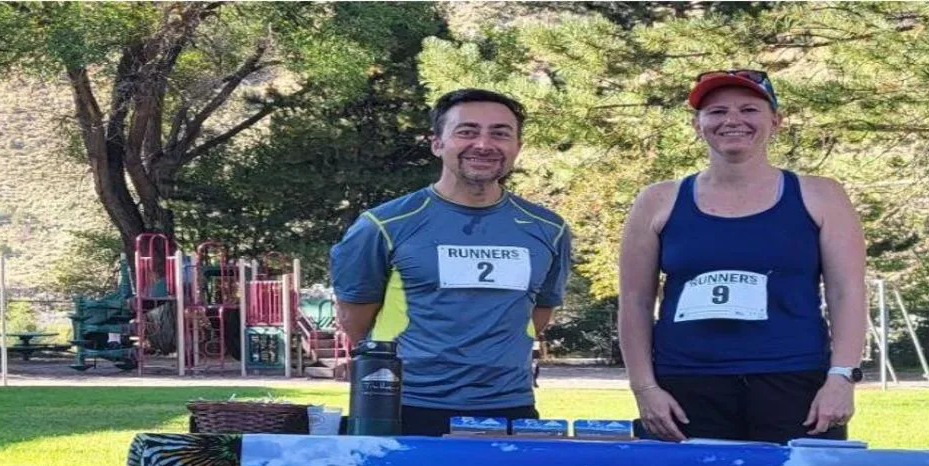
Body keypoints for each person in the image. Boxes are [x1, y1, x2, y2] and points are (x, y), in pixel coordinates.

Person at [617, 69, 868, 444]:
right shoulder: (657, 200)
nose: (732, 120)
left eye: (749, 109)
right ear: (697, 124)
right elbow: (635, 300)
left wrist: (841, 377)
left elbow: (847, 291)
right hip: (685, 385)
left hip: (796, 383)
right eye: (717, 112)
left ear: (776, 121)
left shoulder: (821, 195)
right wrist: (644, 388)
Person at [329, 88, 571, 436]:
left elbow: (539, 312)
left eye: (500, 133)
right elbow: (355, 318)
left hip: (509, 405)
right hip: (403, 406)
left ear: (517, 146)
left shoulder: (549, 228)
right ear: (437, 144)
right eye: (467, 131)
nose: (484, 144)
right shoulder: (382, 225)